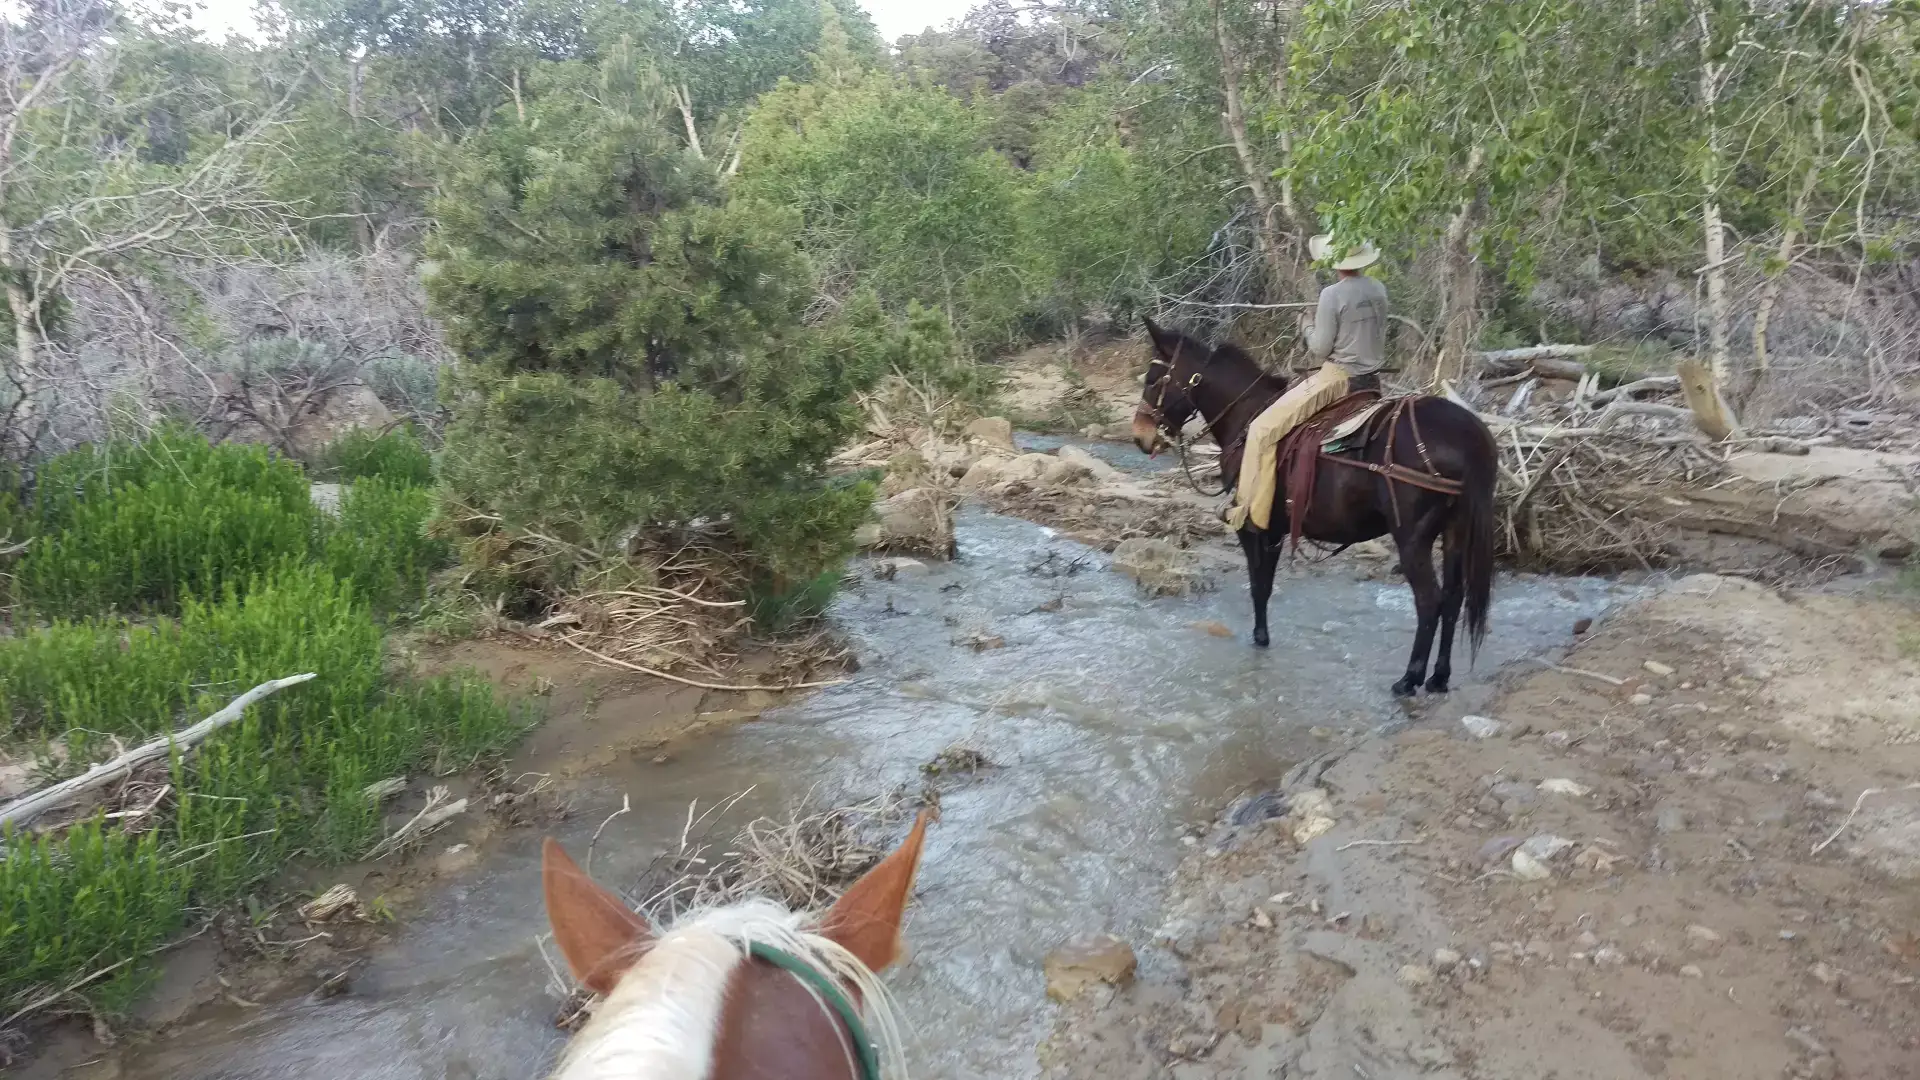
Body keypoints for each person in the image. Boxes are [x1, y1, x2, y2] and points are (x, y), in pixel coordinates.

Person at [1227, 234, 1390, 532]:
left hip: (1337, 379)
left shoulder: (1331, 294)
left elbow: (1319, 348)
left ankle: (1250, 512)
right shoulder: (1378, 288)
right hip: (1372, 380)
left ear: (1336, 260)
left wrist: (1306, 323)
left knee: (1262, 430)